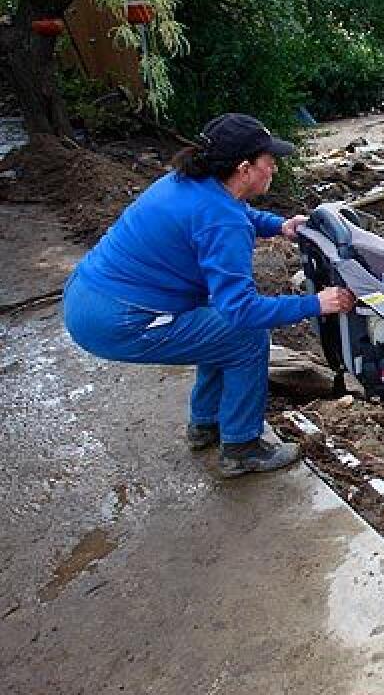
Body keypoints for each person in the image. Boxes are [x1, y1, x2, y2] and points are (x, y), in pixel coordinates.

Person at [63, 113, 356, 477]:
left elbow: (235, 211)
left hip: (90, 294)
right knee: (245, 338)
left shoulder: (188, 182)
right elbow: (242, 311)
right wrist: (317, 303)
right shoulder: (221, 221)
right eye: (270, 161)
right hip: (119, 319)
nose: (275, 169)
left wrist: (279, 226)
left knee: (217, 331)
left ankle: (206, 425)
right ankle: (242, 447)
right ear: (245, 168)